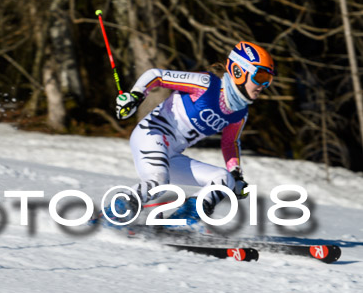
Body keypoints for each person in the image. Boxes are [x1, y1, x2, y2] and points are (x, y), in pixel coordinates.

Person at [106, 41, 275, 227]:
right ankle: (114, 214)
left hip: (172, 154)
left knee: (222, 180)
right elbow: (156, 76)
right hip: (151, 134)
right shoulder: (206, 84)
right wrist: (136, 96)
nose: (264, 84)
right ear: (238, 71)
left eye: (269, 79)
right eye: (260, 76)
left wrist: (236, 175)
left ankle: (176, 224)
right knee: (158, 181)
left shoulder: (239, 113)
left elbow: (230, 143)